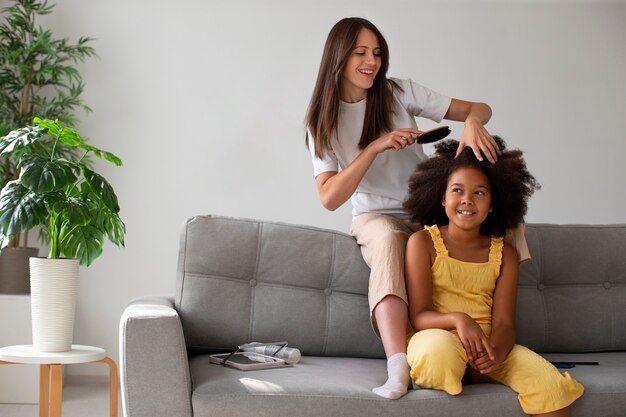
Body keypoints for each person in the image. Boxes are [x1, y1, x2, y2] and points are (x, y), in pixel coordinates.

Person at [305, 17, 525, 400]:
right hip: (377, 218)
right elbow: (330, 198)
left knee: (502, 214)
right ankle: (398, 365)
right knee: (391, 240)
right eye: (360, 53)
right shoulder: (321, 122)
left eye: (376, 53)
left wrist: (473, 123)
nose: (371, 61)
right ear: (338, 57)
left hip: (425, 212)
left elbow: (480, 107)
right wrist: (375, 147)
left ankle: (496, 336)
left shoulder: (398, 92)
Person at [403, 138, 584, 416]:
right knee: (439, 353)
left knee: (550, 385)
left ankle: (474, 372)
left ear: (492, 205)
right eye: (457, 190)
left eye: (479, 193)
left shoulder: (506, 254)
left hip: (488, 345)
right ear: (442, 197)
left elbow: (504, 323)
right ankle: (452, 371)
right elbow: (419, 315)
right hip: (438, 337)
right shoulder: (422, 242)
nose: (467, 199)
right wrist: (458, 319)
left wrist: (496, 354)